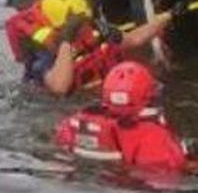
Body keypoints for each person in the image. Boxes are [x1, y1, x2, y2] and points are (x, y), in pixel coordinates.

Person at [4, 0, 178, 96]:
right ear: (61, 27)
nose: (86, 28)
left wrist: (169, 15)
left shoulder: (91, 29)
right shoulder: (42, 54)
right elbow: (59, 87)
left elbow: (133, 39)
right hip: (63, 107)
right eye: (78, 26)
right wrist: (66, 42)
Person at [55, 60, 190, 181]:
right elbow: (164, 176)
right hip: (125, 185)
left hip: (83, 178)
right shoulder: (151, 134)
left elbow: (59, 145)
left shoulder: (73, 122)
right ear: (148, 94)